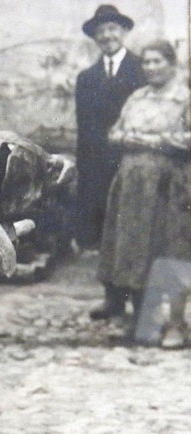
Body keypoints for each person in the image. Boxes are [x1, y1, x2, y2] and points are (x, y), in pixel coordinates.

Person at [93, 40, 190, 333]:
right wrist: (125, 137)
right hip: (132, 187)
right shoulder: (137, 98)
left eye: (157, 61)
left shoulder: (184, 99)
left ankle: (175, 324)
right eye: (146, 62)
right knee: (133, 250)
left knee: (169, 250)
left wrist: (154, 140)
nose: (150, 67)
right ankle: (141, 319)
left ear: (172, 64)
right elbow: (114, 132)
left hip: (167, 188)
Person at [74, 5, 145, 250]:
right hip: (97, 160)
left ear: (124, 31)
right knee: (101, 221)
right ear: (95, 37)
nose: (107, 36)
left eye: (112, 28)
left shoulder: (142, 69)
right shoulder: (86, 78)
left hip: (131, 156)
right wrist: (84, 166)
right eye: (101, 31)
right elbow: (84, 129)